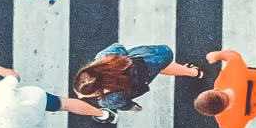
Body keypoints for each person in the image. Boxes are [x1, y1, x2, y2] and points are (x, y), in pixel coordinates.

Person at [73, 43, 202, 112]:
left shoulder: (108, 99)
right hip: (148, 58)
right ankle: (194, 72)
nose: (79, 96)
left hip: (144, 77)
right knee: (161, 66)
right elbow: (119, 47)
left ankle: (191, 72)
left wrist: (132, 108)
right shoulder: (105, 56)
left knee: (160, 69)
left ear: (97, 91)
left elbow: (123, 104)